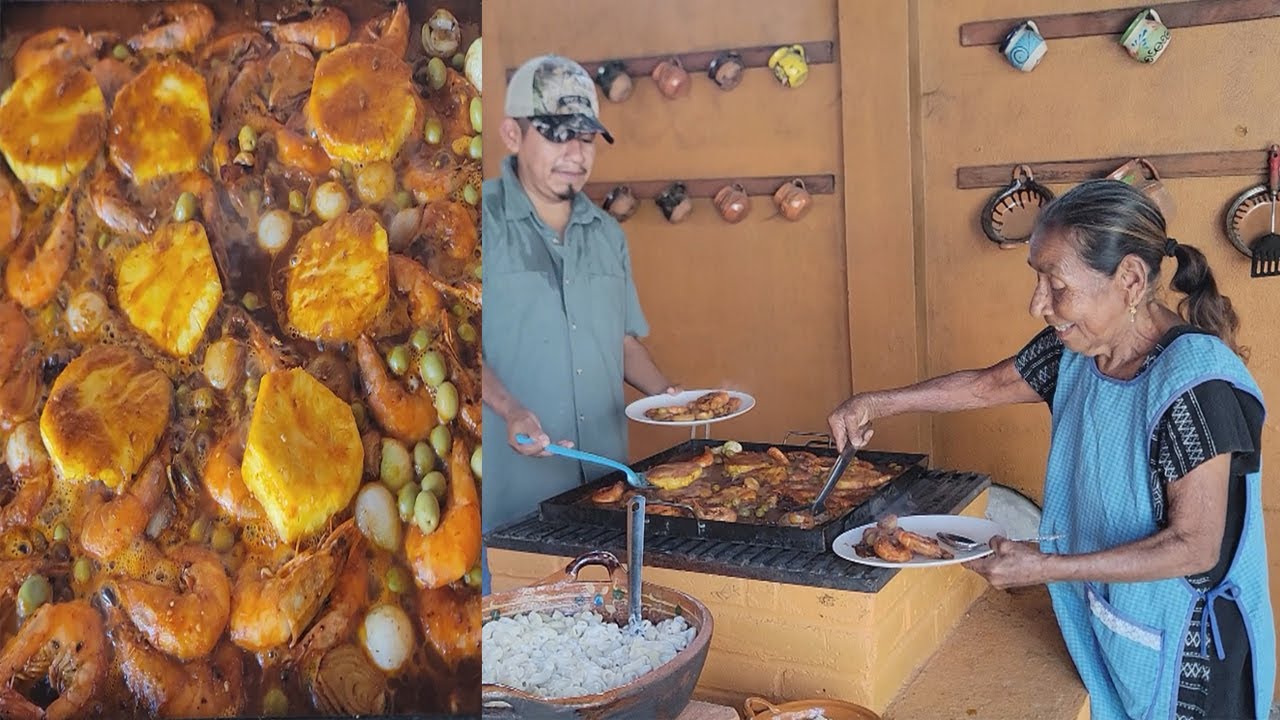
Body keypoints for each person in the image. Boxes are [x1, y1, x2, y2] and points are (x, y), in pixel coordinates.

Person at [827, 180, 1273, 720]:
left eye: (1056, 284)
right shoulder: (1079, 350)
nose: (1038, 303)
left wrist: (1048, 567)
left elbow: (1194, 548)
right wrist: (873, 404)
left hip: (1190, 656)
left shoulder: (1194, 388)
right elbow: (985, 386)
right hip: (1118, 619)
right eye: (1037, 278)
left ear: (1129, 279)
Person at [481, 54, 679, 593]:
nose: (575, 153)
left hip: (604, 496)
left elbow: (621, 339)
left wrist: (672, 398)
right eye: (557, 132)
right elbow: (455, 348)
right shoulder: (476, 222)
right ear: (511, 133)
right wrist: (509, 406)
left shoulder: (606, 235)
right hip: (510, 504)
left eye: (586, 137)